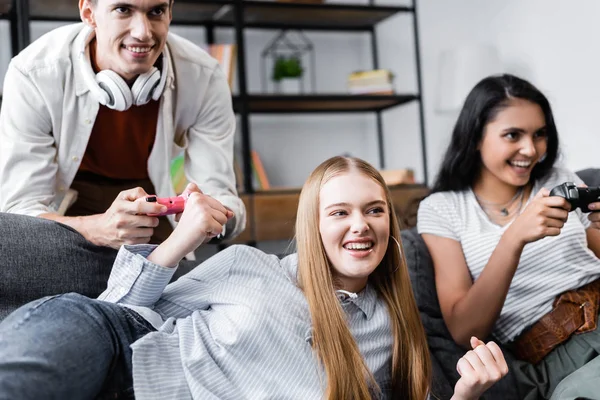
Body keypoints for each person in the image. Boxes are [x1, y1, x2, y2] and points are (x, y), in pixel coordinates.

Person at [0, 156, 508, 400]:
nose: (361, 225)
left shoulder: (388, 329)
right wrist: (182, 239)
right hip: (111, 347)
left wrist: (464, 397)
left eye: (375, 210)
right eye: (340, 212)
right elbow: (120, 310)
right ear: (312, 225)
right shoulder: (248, 264)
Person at [0, 0, 245, 315]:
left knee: (171, 309)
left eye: (155, 11)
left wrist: (214, 216)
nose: (143, 33)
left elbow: (223, 195)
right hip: (66, 211)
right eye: (123, 10)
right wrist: (98, 227)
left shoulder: (205, 76)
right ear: (89, 13)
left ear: (170, 13)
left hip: (152, 206)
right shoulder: (35, 71)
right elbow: (20, 212)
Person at [418, 74, 600, 399]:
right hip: (555, 351)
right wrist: (513, 238)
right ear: (475, 137)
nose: (530, 150)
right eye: (513, 135)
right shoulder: (442, 210)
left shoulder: (558, 179)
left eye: (540, 134)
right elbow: (465, 330)